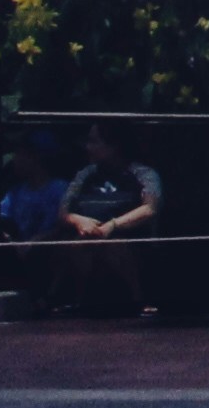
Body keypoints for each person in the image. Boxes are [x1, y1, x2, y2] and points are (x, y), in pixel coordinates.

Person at [51, 121, 166, 319]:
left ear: (114, 146)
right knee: (76, 245)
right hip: (87, 236)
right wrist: (78, 221)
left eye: (94, 142)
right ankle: (78, 300)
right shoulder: (85, 174)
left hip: (130, 241)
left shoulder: (144, 174)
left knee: (115, 246)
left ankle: (138, 299)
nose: (88, 147)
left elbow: (150, 208)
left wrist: (111, 226)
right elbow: (63, 212)